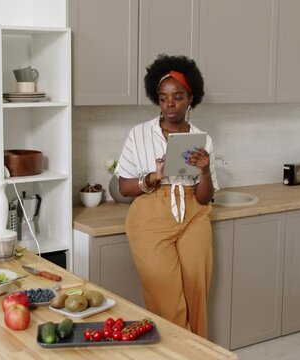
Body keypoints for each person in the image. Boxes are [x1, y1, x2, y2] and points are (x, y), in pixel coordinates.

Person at [114, 54, 218, 338]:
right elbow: (124, 188)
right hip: (150, 215)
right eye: (163, 98)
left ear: (190, 98)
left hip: (193, 214)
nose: (170, 104)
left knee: (196, 292)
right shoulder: (139, 134)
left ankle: (199, 355)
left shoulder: (202, 138)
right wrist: (154, 177)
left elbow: (204, 198)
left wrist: (206, 170)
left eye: (178, 97)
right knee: (166, 297)